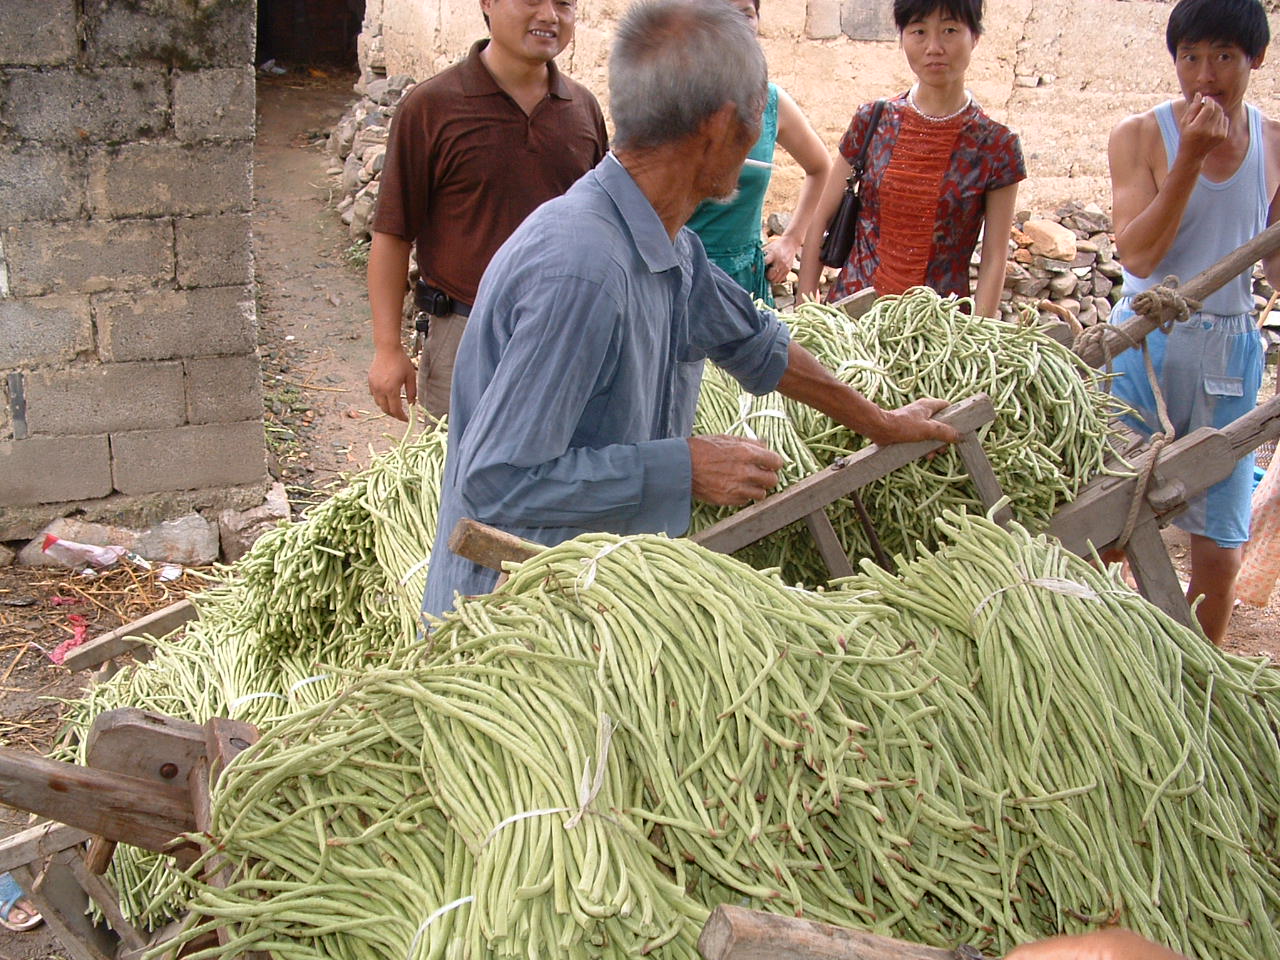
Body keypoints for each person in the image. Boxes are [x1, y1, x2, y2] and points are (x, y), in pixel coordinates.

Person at [421, 0, 960, 618]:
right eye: (758, 119)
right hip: (514, 629)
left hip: (593, 604)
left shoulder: (667, 243)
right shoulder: (583, 270)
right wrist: (683, 466)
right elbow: (496, 481)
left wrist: (880, 423)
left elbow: (759, 344)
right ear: (720, 125)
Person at [1106, 0, 1280, 644]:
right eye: (1190, 57)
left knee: (1218, 545)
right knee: (1112, 524)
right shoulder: (1139, 136)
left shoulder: (1273, 144)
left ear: (1255, 59)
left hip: (1229, 351)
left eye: (1224, 57)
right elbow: (1140, 253)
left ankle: (1197, 672)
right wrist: (1189, 159)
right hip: (1143, 345)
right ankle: (1105, 660)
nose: (1205, 74)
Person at [366, 0, 609, 421]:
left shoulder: (582, 110)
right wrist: (388, 349)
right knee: (457, 474)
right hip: (463, 335)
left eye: (565, 4)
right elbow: (393, 234)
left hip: (566, 338)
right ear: (487, 3)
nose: (550, 15)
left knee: (561, 474)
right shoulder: (431, 107)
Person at [795, 0, 1024, 319]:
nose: (934, 47)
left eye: (950, 30)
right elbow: (821, 218)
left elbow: (994, 257)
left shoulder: (997, 145)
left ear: (975, 37)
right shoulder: (872, 120)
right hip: (853, 320)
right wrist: (806, 316)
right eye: (919, 31)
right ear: (902, 37)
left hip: (938, 332)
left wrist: (976, 336)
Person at [684, 0, 831, 305]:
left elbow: (821, 169)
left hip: (746, 284)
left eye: (746, 14)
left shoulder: (772, 103)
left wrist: (791, 239)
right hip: (683, 280)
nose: (736, 24)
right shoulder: (675, 101)